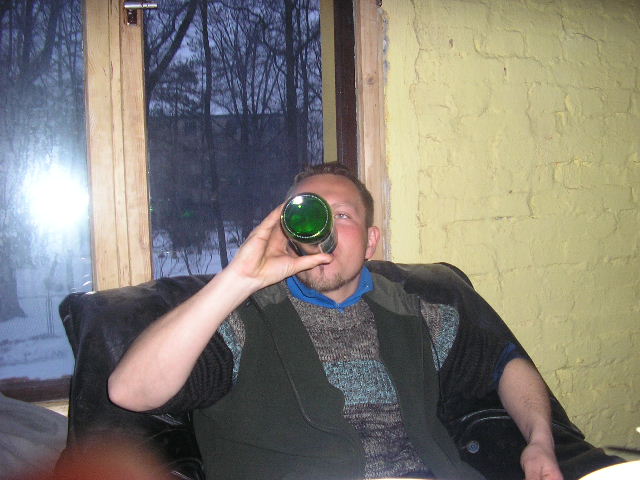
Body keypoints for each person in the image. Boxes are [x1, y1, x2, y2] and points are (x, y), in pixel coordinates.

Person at [108, 163, 564, 480]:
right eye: (310, 214)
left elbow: (505, 364)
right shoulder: (240, 321)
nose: (322, 229)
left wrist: (540, 441)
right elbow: (130, 391)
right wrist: (237, 279)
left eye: (341, 215)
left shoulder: (417, 313)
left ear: (370, 241)